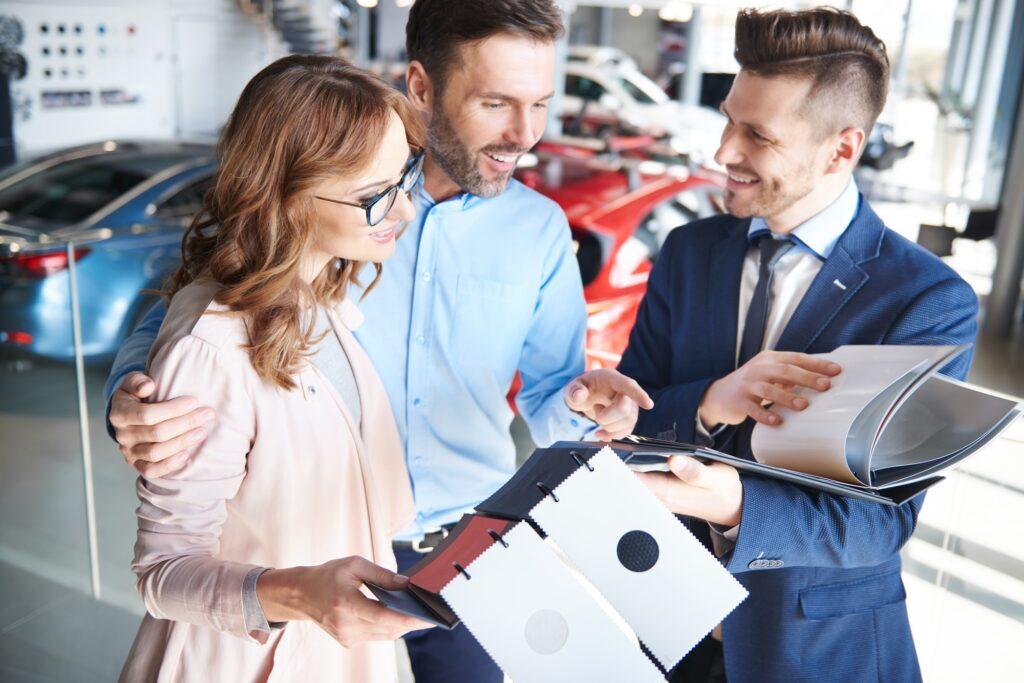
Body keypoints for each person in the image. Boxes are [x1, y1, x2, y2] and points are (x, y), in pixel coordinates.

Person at [104, 2, 651, 681]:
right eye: (495, 102)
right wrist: (130, 389)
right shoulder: (333, 203)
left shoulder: (527, 231)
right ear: (421, 87)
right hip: (306, 557)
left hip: (465, 544)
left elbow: (548, 403)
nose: (525, 133)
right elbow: (205, 300)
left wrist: (585, 402)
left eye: (539, 103)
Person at [618, 8, 978, 683]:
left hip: (817, 650)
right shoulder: (688, 252)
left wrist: (729, 502)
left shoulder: (926, 302)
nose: (723, 151)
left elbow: (878, 524)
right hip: (670, 630)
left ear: (842, 149)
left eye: (756, 134)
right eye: (728, 118)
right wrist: (706, 405)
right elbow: (636, 417)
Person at [118, 55, 433, 682]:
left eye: (404, 178)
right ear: (282, 194)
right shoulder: (210, 349)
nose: (403, 211)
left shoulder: (324, 297)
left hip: (333, 646)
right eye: (373, 197)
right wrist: (301, 594)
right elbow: (162, 574)